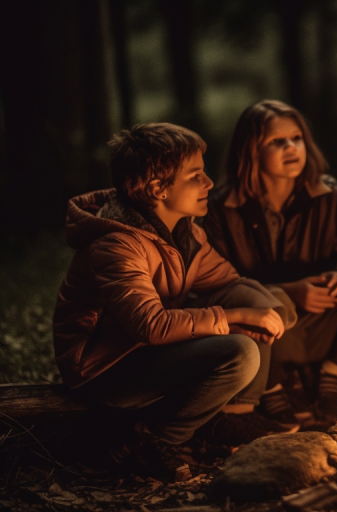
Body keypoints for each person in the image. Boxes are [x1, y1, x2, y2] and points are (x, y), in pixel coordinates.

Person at [53, 123, 295, 479]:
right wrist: (239, 315)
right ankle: (151, 440)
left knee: (260, 299)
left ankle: (230, 417)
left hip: (146, 352)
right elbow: (150, 325)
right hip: (106, 371)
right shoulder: (117, 245)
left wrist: (273, 310)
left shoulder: (185, 232)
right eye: (196, 175)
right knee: (241, 351)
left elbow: (228, 282)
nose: (209, 183)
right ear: (157, 189)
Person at [205, 100, 337, 426]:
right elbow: (223, 286)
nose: (291, 148)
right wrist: (292, 290)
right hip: (266, 335)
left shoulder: (327, 193)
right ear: (251, 150)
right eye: (277, 142)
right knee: (269, 300)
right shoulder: (223, 206)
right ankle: (273, 388)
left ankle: (331, 379)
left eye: (297, 138)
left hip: (320, 324)